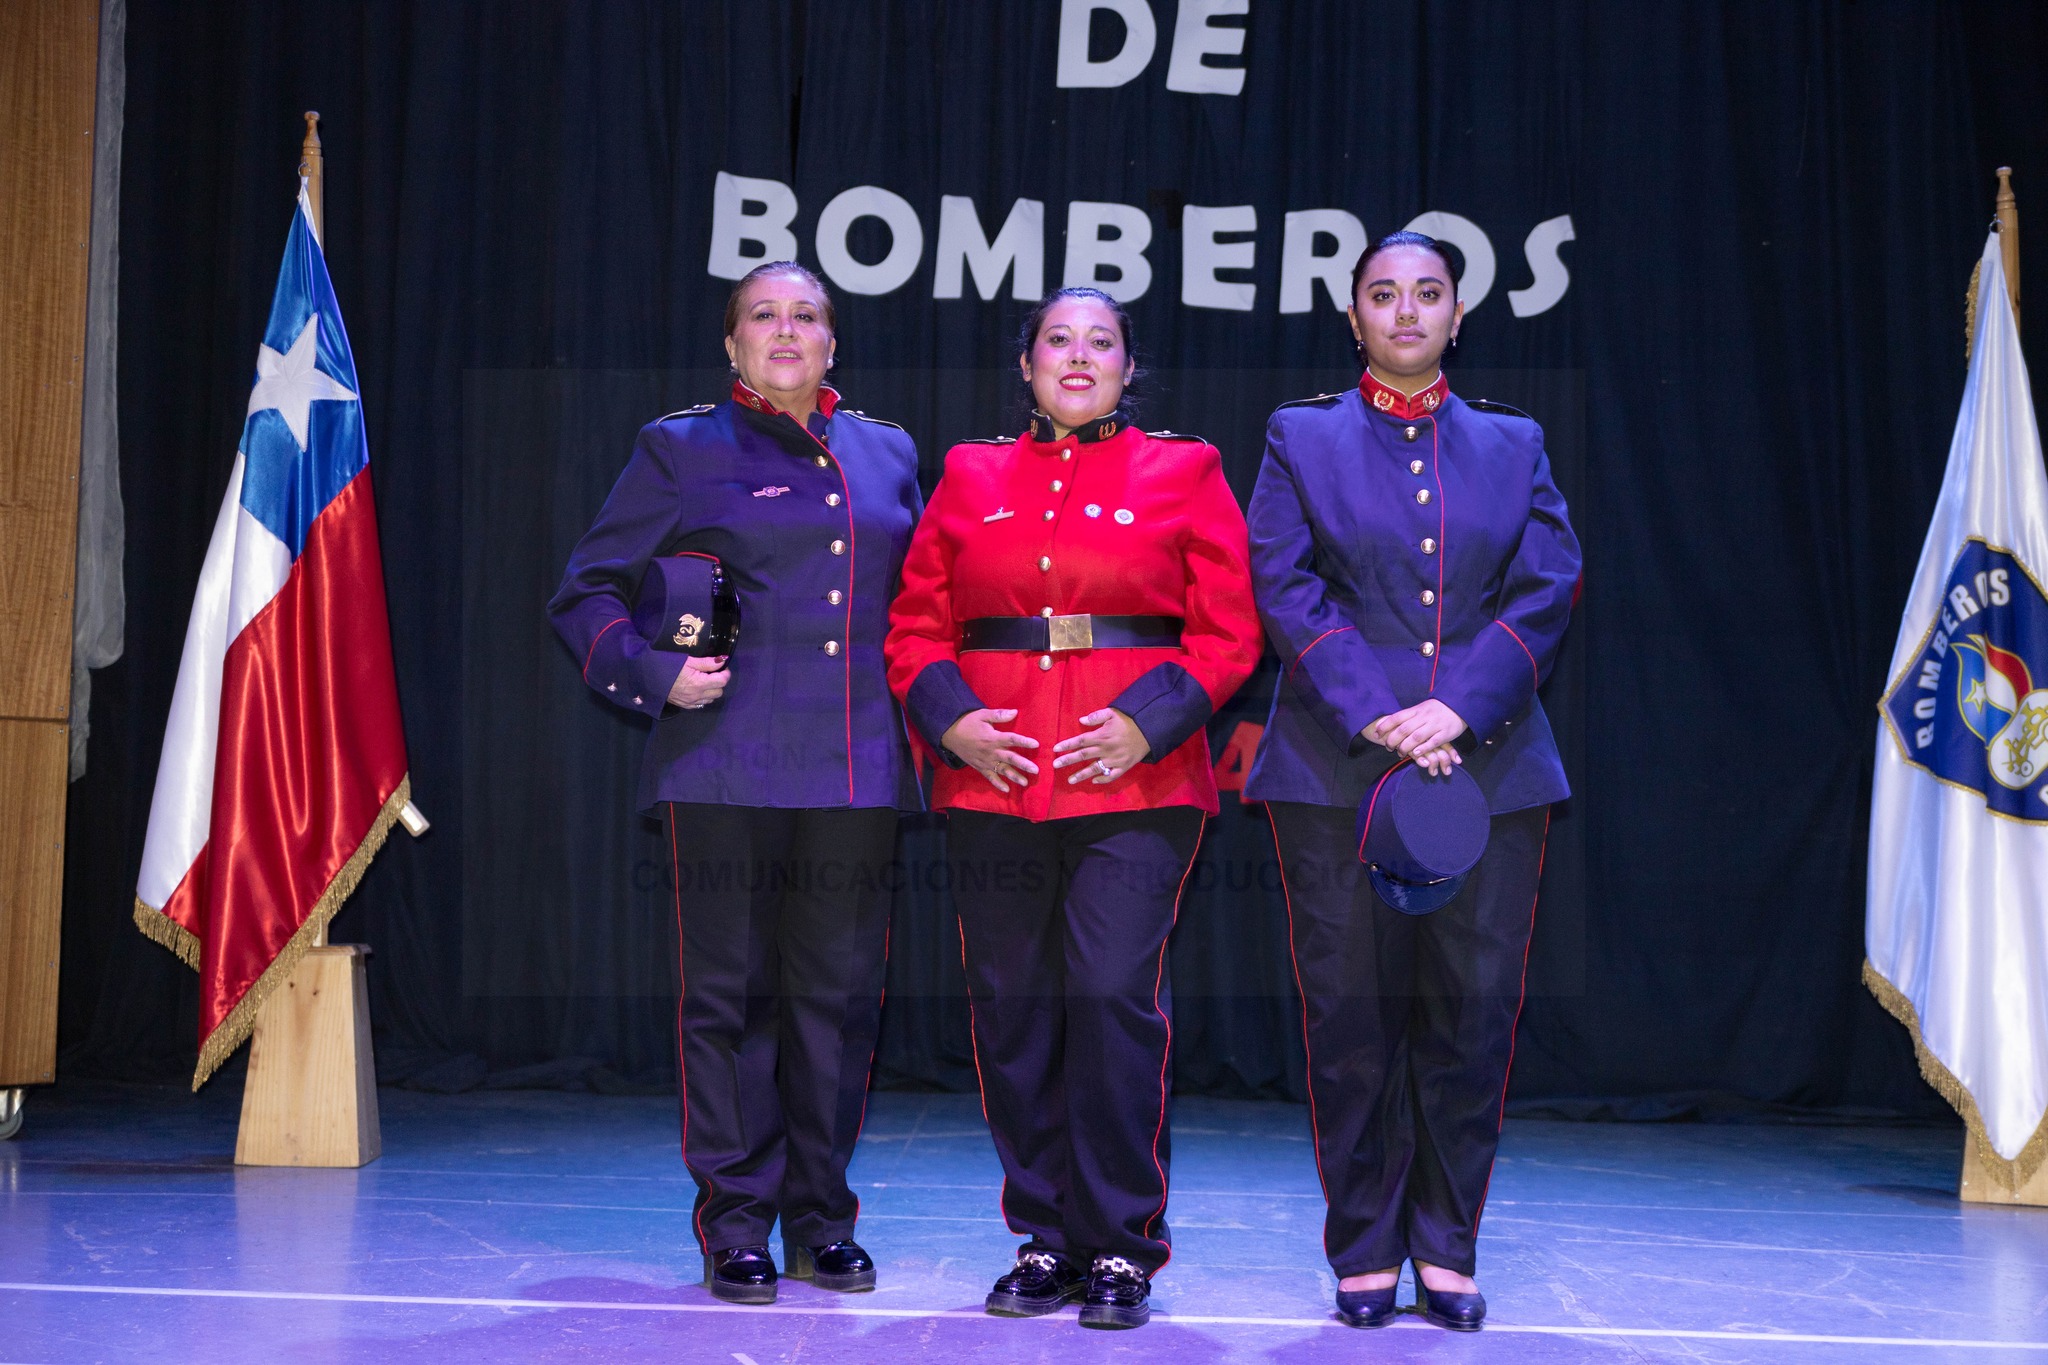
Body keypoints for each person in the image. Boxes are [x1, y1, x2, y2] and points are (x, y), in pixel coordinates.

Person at [886, 287, 1260, 1330]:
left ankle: (1121, 1247)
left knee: (1107, 998)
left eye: (1102, 342)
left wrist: (1150, 720)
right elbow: (913, 627)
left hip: (1133, 778)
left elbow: (1228, 632)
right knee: (1012, 1012)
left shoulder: (1183, 469)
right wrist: (952, 720)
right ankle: (1045, 1237)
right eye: (1059, 339)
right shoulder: (968, 473)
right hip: (992, 775)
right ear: (1026, 364)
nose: (1079, 355)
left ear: (1127, 368)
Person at [548, 262, 921, 1305]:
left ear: (833, 342)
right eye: (763, 316)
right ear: (731, 344)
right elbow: (583, 593)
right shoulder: (680, 447)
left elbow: (920, 605)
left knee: (835, 1007)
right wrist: (654, 671)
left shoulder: (887, 452)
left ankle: (821, 1220)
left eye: (807, 316)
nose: (786, 330)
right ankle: (735, 1223)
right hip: (723, 767)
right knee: (730, 1002)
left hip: (854, 767)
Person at [1245, 231, 1581, 1331]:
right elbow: (1284, 585)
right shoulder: (1299, 436)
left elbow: (1546, 584)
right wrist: (1379, 712)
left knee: (1467, 1020)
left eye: (1424, 295)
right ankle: (1360, 1249)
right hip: (1337, 767)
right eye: (1381, 295)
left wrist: (1459, 706)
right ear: (1352, 316)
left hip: (1488, 772)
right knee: (1350, 1020)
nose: (1402, 312)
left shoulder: (1511, 441)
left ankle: (1444, 1247)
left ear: (1454, 314)